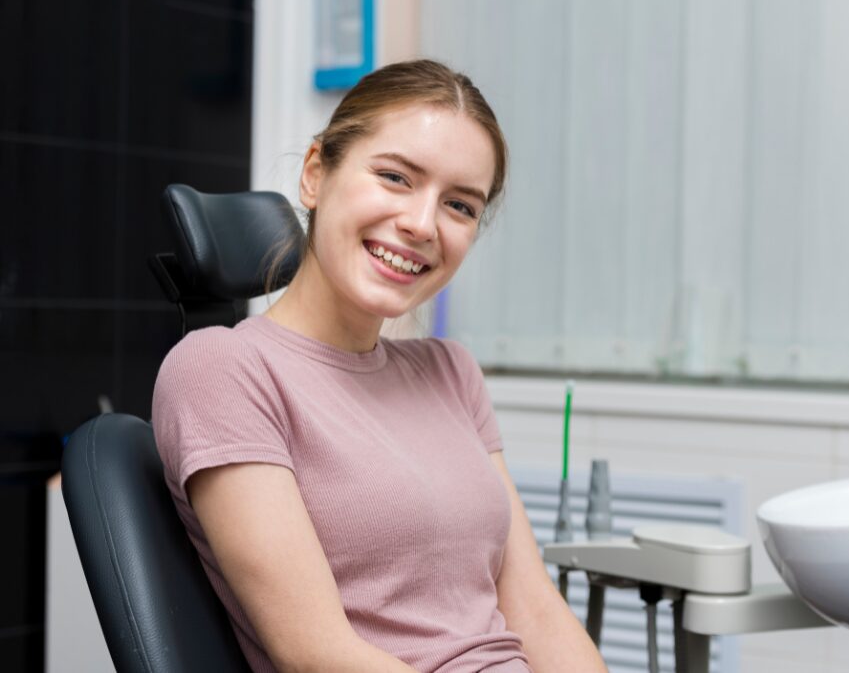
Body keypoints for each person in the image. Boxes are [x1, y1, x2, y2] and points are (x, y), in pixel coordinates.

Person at [152, 59, 606, 673]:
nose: (422, 224)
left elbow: (538, 612)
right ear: (315, 174)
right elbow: (316, 654)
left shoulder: (450, 372)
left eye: (460, 206)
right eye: (395, 177)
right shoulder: (222, 369)